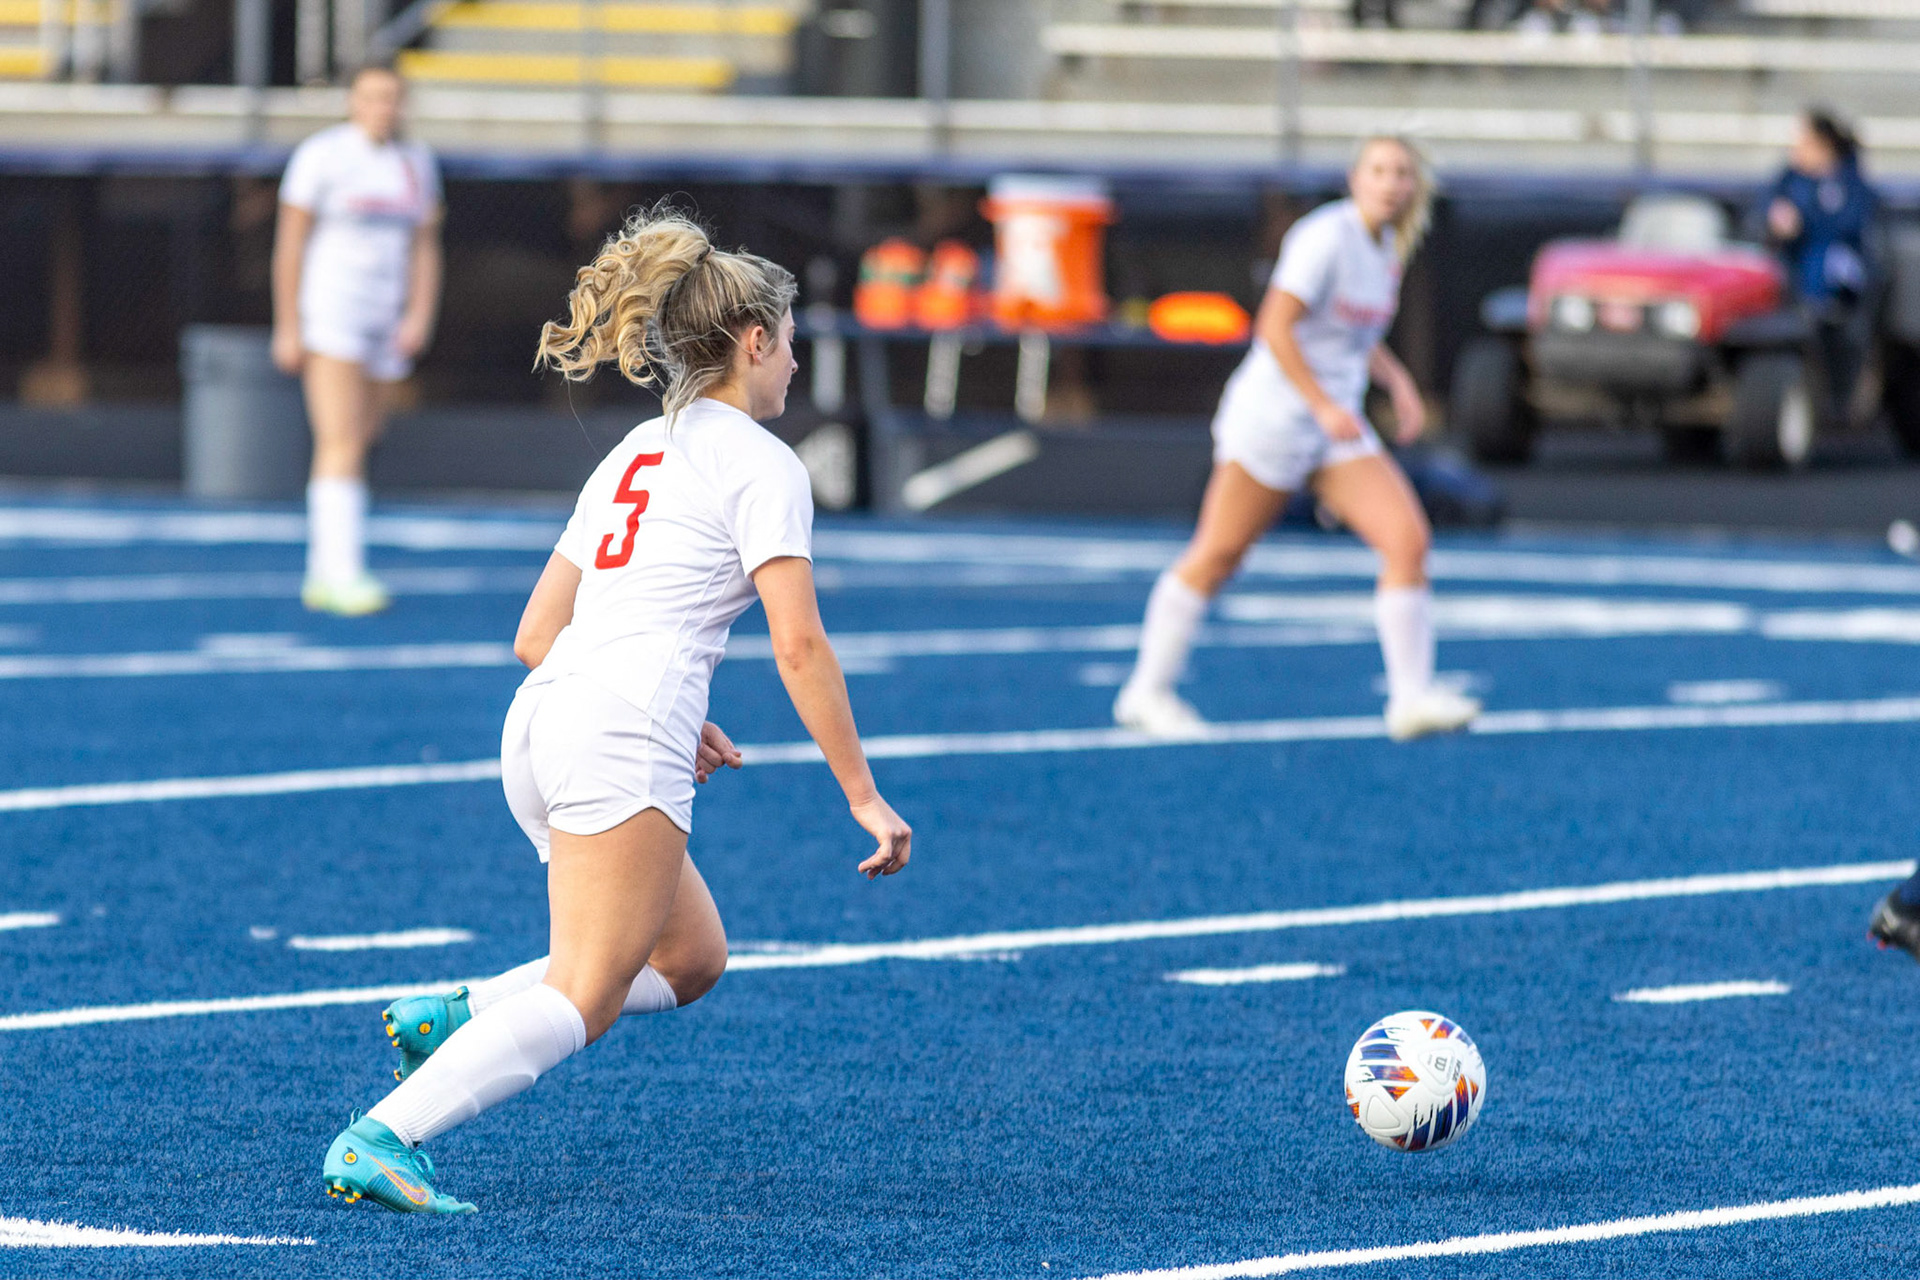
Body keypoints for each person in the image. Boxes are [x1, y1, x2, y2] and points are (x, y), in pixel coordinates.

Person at [319, 206, 913, 1213]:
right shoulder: (764, 462)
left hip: (542, 718)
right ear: (752, 341)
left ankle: (456, 1012)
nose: (794, 365)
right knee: (587, 991)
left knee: (690, 957)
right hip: (616, 731)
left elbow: (535, 631)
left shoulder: (639, 446)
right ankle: (383, 1136)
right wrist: (862, 793)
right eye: (789, 343)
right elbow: (800, 644)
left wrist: (663, 714)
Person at [1112, 136, 1480, 743]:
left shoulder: (1386, 247)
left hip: (1335, 427)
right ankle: (1146, 690)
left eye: (1401, 173)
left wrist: (1396, 382)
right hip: (1276, 419)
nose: (1390, 183)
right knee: (1218, 554)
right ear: (1355, 178)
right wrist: (1322, 405)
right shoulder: (1323, 237)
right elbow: (1275, 327)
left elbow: (1351, 334)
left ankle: (1410, 698)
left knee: (1406, 540)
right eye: (1378, 170)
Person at [272, 63, 444, 616]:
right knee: (340, 438)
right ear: (352, 100)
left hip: (384, 319)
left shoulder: (416, 161)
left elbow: (424, 245)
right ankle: (340, 570)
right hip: (333, 314)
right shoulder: (322, 156)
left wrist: (419, 313)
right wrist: (289, 324)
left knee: (365, 435)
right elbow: (291, 244)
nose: (381, 107)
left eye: (391, 97)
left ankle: (325, 567)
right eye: (371, 96)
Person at [1762, 109, 1879, 419]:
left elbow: (1847, 225)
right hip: (1792, 277)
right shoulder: (1789, 178)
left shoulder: (1848, 183)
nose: (1795, 150)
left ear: (1823, 145)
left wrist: (1803, 220)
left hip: (1833, 285)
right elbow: (1766, 206)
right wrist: (1775, 217)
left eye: (1803, 142)